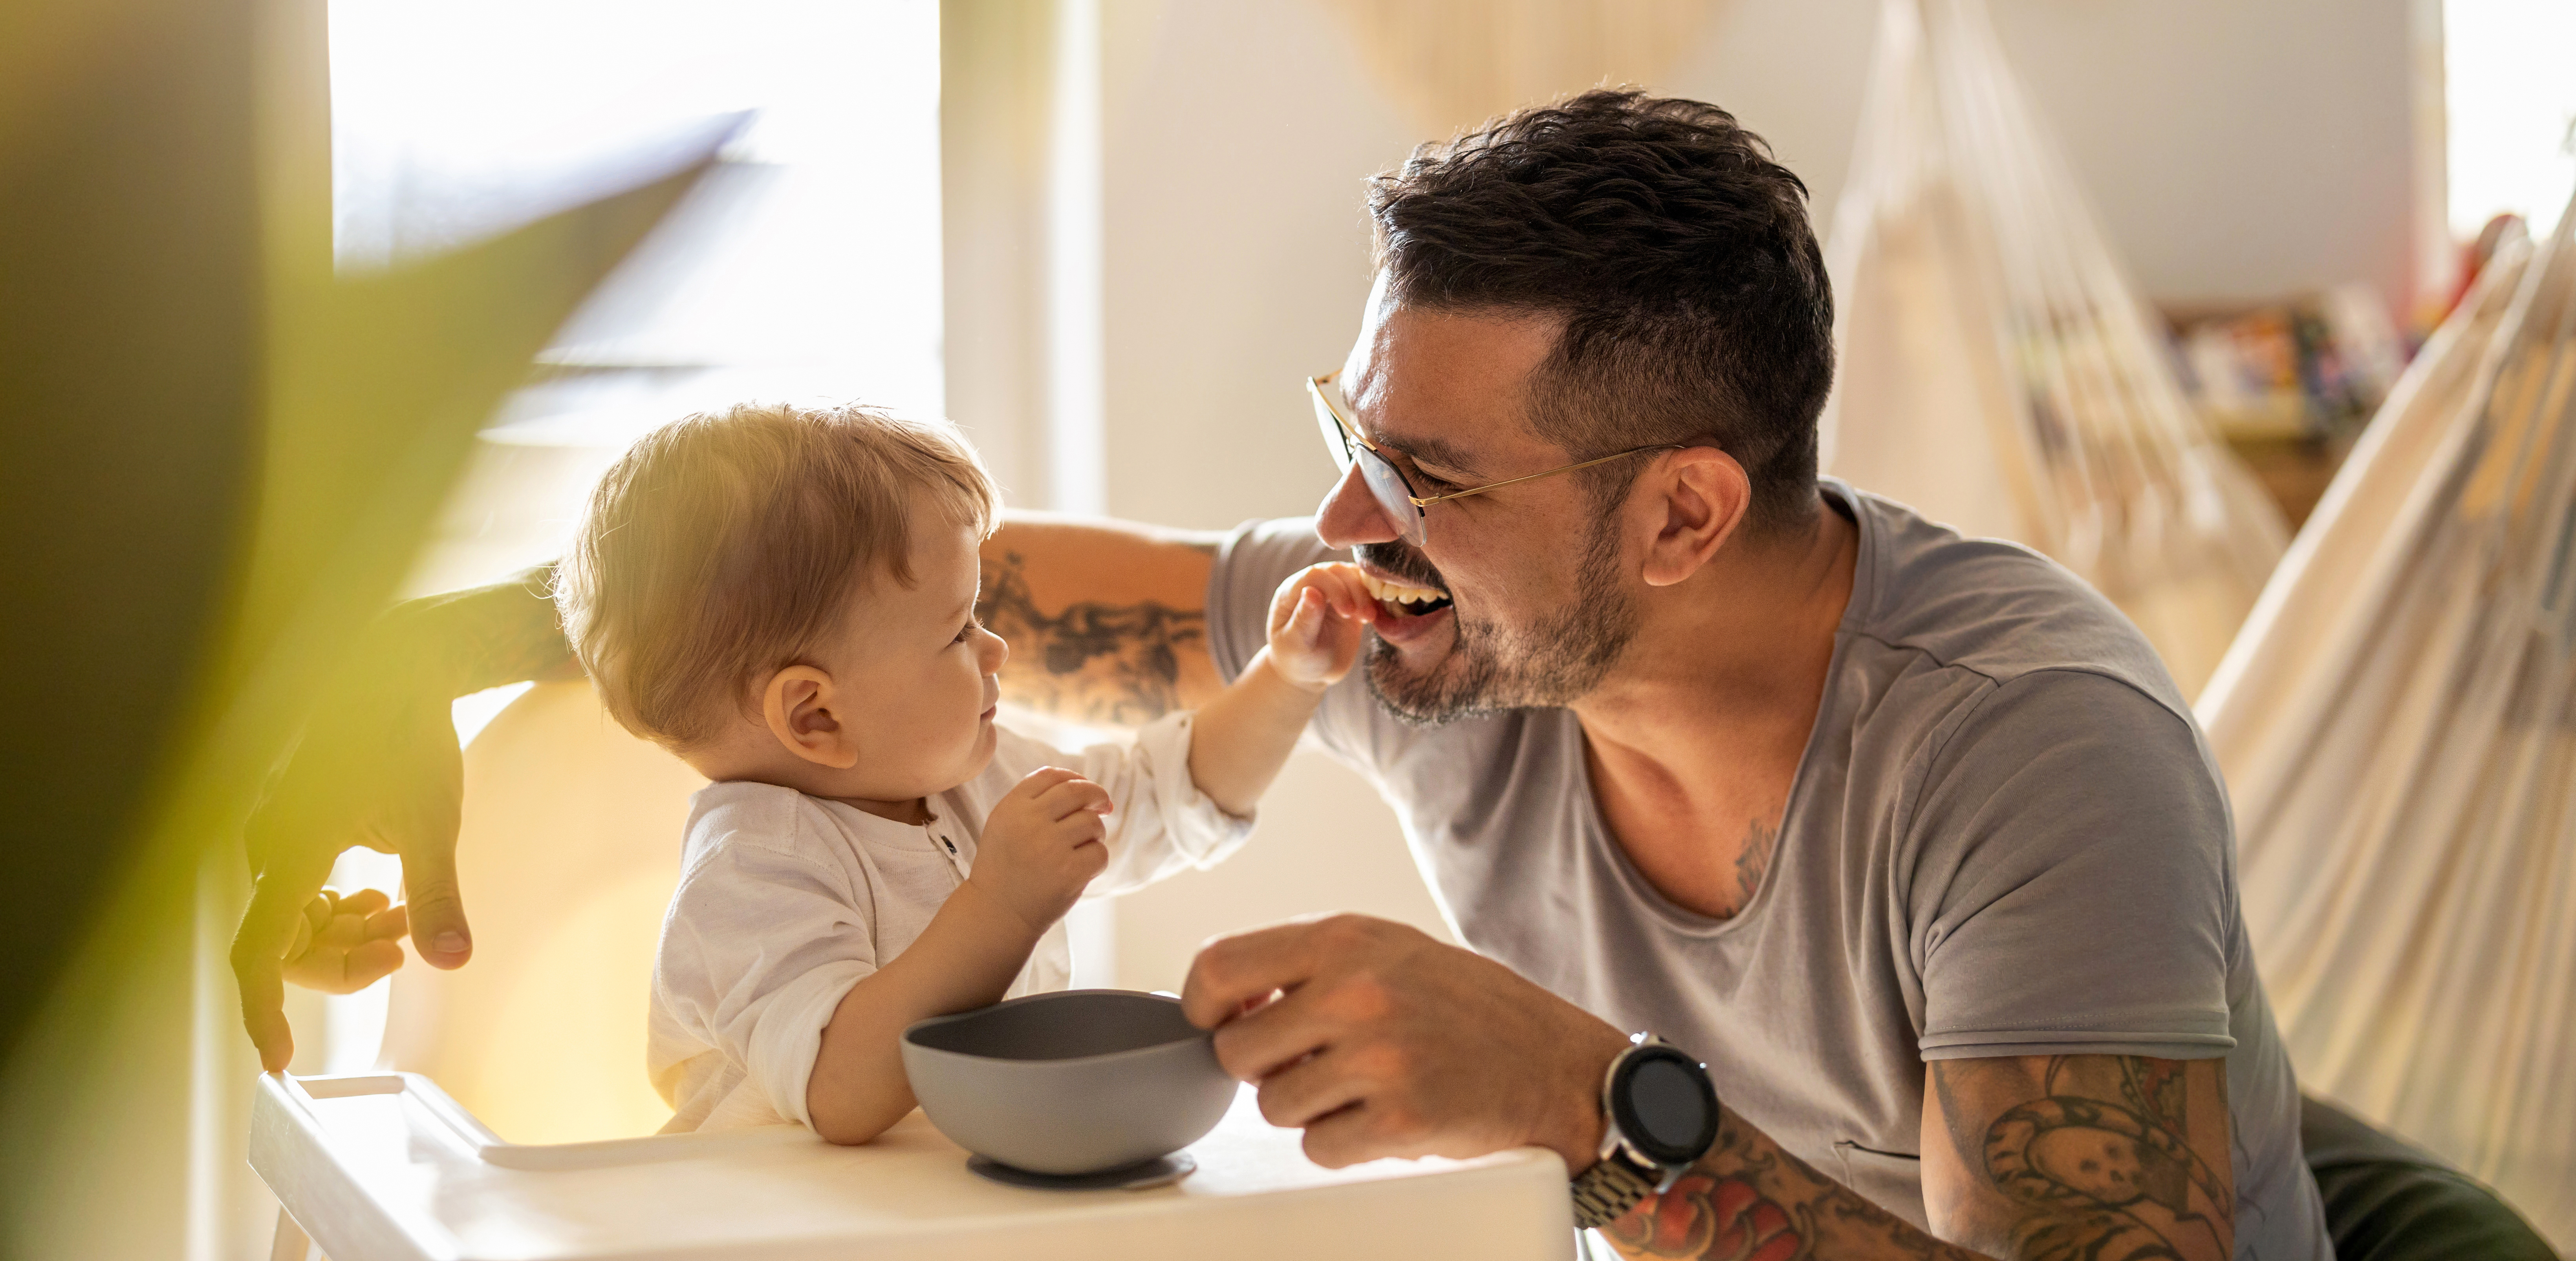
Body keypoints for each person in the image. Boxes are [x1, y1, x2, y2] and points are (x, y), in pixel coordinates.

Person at [233, 92, 2524, 1259]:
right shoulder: (1421, 630)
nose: (1341, 537)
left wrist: (1594, 1108)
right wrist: (407, 663)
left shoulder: (2029, 754)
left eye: (1426, 473)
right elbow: (884, 600)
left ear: (1686, 516)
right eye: (1356, 439)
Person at [289, 400, 1371, 1140]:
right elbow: (842, 1088)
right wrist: (1000, 904)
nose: (997, 652)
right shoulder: (753, 866)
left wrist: (1288, 677)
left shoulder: (969, 775)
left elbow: (1172, 790)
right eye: (958, 634)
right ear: (815, 715)